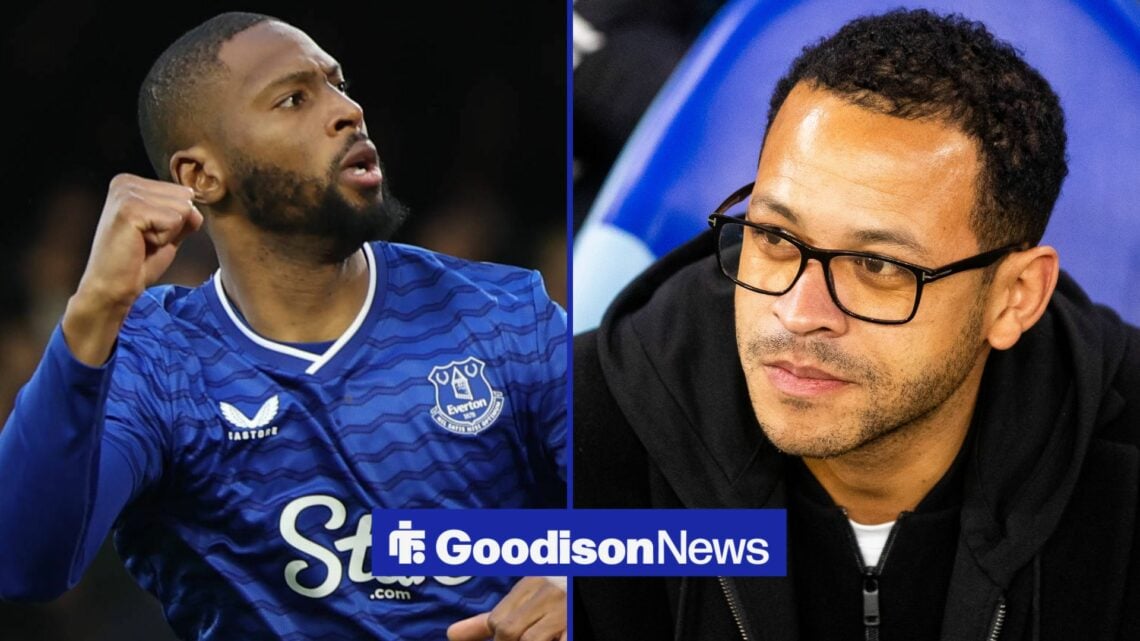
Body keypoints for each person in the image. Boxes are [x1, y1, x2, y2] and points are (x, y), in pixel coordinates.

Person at [573, 8, 1140, 640]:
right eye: (776, 237)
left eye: (877, 265)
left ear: (1014, 297)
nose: (799, 312)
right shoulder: (567, 433)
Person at [0, 12, 567, 641]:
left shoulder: (506, 314)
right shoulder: (152, 363)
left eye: (338, 83)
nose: (348, 110)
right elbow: (24, 564)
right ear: (200, 176)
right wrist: (93, 309)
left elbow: (677, 539)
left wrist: (581, 584)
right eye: (295, 98)